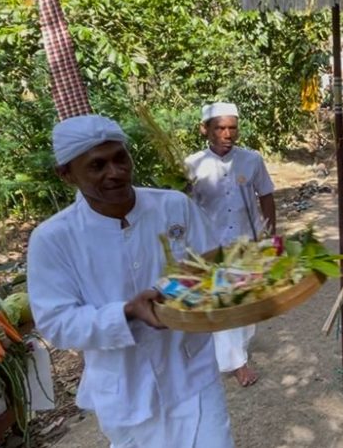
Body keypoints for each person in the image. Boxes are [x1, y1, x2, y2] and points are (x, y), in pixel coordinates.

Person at [28, 115, 234, 448]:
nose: (115, 171)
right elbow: (56, 323)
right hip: (124, 387)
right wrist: (126, 312)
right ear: (66, 174)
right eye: (97, 165)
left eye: (120, 158)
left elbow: (212, 266)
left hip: (191, 372)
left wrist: (195, 289)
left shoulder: (173, 206)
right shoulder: (53, 239)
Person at [184, 102, 274, 388]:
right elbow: (183, 206)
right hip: (211, 246)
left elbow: (267, 195)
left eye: (232, 128)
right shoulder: (191, 165)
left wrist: (270, 233)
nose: (227, 133)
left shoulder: (251, 160)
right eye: (220, 128)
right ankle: (237, 363)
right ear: (205, 130)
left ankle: (238, 349)